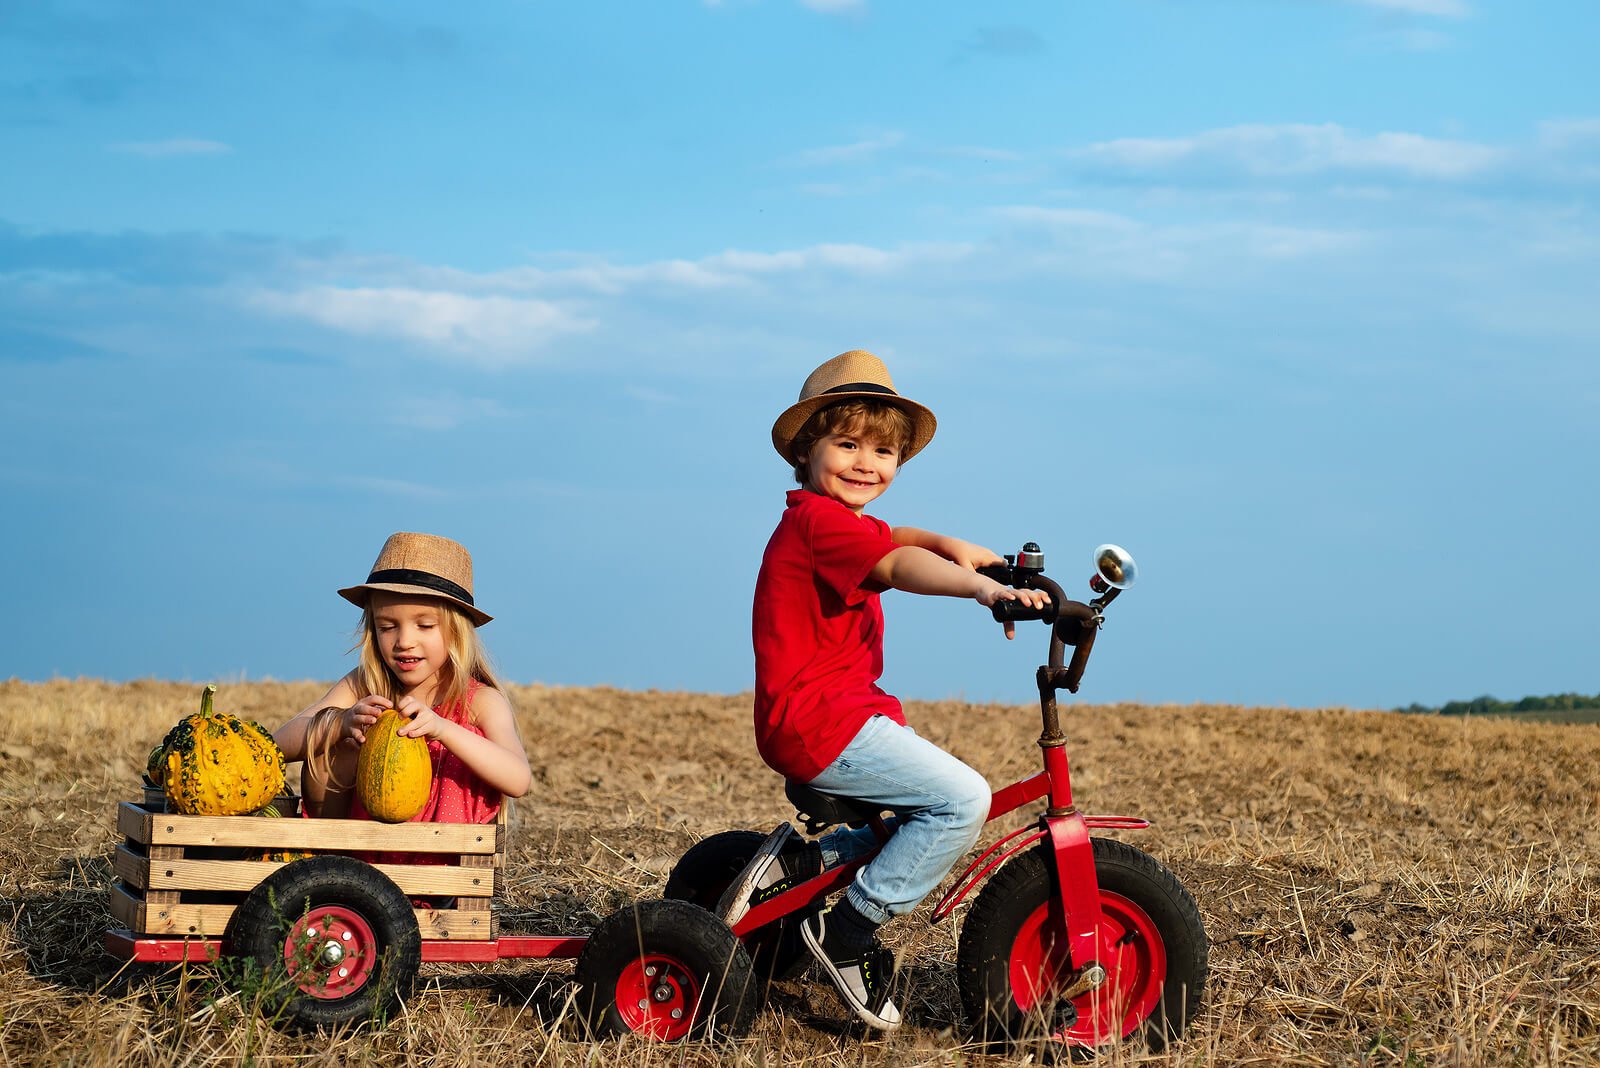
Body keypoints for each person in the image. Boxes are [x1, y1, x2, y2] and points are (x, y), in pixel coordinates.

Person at [723, 350, 1049, 1030]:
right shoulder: (818, 524)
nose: (866, 463)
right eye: (847, 444)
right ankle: (848, 934)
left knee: (921, 809)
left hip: (834, 713)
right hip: (819, 722)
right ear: (808, 450)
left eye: (883, 450)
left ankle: (809, 861)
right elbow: (897, 562)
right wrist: (986, 588)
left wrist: (950, 542)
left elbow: (897, 537)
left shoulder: (828, 518)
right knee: (962, 800)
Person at [275, 532, 531, 831]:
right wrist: (340, 722)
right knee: (328, 743)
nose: (404, 641)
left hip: (446, 863)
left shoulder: (478, 701)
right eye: (387, 627)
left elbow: (518, 779)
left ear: (457, 633)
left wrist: (443, 729)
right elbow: (277, 746)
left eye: (424, 626)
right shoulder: (365, 685)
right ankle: (331, 851)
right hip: (363, 862)